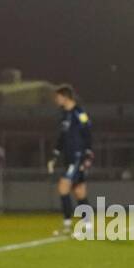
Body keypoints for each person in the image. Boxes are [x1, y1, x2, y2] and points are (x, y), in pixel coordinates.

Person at [49, 84, 93, 236]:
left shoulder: (79, 112)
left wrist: (87, 154)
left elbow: (88, 132)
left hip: (77, 156)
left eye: (58, 97)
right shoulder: (64, 114)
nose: (56, 100)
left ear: (65, 97)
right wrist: (55, 155)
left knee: (63, 187)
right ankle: (87, 227)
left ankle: (67, 226)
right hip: (68, 157)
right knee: (79, 191)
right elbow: (62, 137)